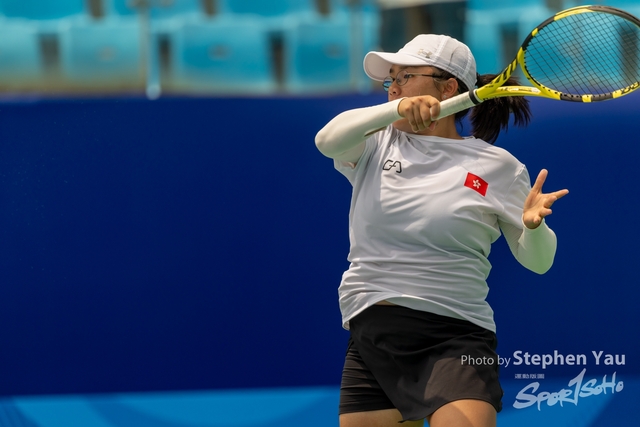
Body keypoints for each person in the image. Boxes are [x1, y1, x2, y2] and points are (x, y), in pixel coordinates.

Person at [315, 34, 569, 427]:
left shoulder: (498, 167)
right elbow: (327, 140)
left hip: (455, 336)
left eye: (405, 77)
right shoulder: (376, 143)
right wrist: (398, 107)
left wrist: (534, 228)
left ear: (448, 87)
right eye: (390, 80)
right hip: (373, 331)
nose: (393, 87)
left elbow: (539, 263)